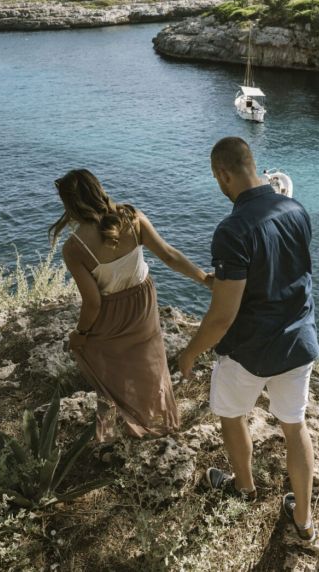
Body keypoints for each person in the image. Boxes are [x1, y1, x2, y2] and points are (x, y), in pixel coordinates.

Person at [177, 137, 319, 543]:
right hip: (298, 341)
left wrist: (189, 353)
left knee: (231, 414)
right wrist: (226, 280)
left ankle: (244, 487)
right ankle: (304, 520)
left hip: (249, 351)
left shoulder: (232, 229)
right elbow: (284, 270)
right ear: (251, 164)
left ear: (223, 174)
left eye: (217, 179)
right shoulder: (297, 209)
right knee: (295, 426)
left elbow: (223, 317)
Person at [52, 169, 207, 442]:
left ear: (70, 204)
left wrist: (81, 334)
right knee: (151, 364)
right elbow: (170, 256)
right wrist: (204, 278)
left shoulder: (75, 247)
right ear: (98, 190)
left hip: (110, 313)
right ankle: (162, 423)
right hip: (143, 302)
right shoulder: (131, 217)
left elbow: (93, 303)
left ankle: (112, 431)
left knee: (104, 368)